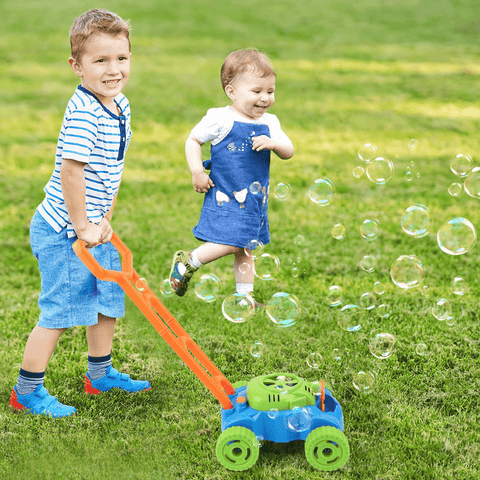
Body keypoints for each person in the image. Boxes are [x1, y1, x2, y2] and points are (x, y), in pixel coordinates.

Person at [9, 9, 150, 418]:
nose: (113, 69)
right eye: (100, 60)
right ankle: (27, 392)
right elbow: (72, 171)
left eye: (121, 58)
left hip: (93, 225)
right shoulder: (86, 111)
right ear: (77, 66)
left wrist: (102, 219)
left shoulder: (119, 104)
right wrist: (82, 225)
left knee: (107, 297)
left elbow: (113, 167)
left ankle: (100, 375)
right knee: (60, 309)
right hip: (64, 229)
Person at [170, 49, 294, 299]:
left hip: (254, 201)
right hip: (226, 196)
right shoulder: (220, 118)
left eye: (270, 91)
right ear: (232, 92)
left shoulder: (271, 123)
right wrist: (196, 171)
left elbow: (289, 151)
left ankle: (244, 297)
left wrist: (273, 143)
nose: (265, 98)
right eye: (256, 91)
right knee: (234, 242)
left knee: (247, 248)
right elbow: (193, 140)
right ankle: (188, 261)